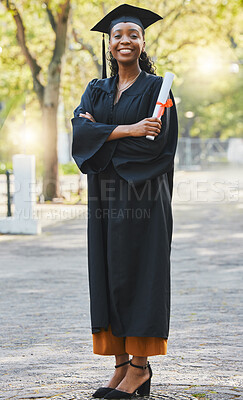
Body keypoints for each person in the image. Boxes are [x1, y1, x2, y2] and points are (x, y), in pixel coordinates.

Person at [71, 4, 178, 399]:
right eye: (118, 35)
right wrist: (129, 129)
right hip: (103, 197)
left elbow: (159, 146)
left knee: (140, 272)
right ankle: (119, 365)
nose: (125, 40)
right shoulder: (96, 89)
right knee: (107, 271)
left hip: (144, 197)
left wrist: (103, 134)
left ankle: (140, 368)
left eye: (133, 34)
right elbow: (80, 136)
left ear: (143, 42)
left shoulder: (157, 89)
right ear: (110, 43)